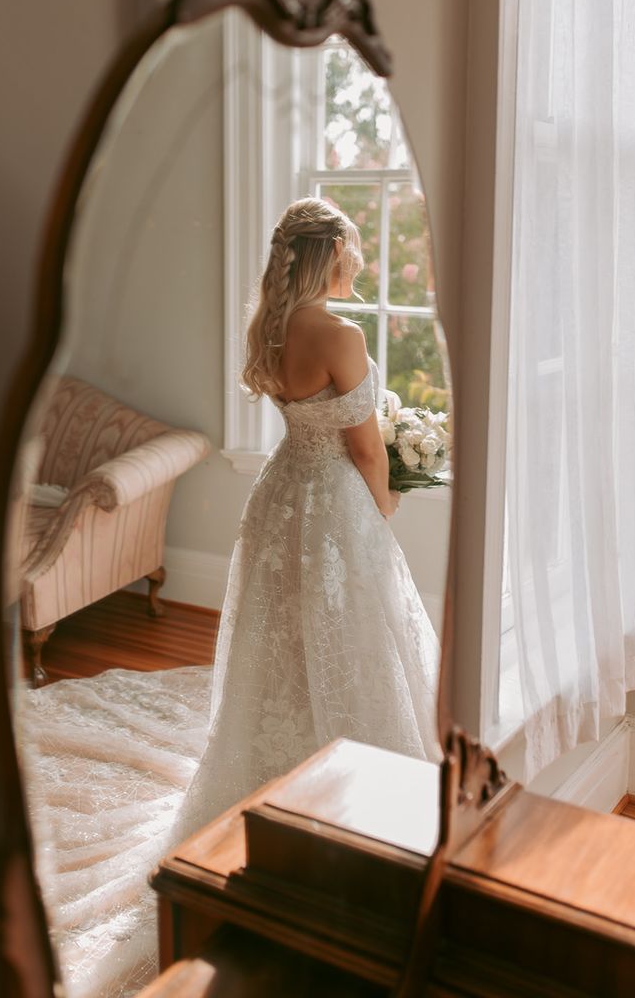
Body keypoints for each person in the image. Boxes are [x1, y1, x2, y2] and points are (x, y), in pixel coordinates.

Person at [171, 196, 440, 835]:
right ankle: (356, 785)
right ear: (330, 255)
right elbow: (367, 447)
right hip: (336, 500)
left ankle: (274, 768)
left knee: (283, 628)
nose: (362, 258)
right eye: (352, 246)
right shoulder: (342, 335)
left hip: (282, 490)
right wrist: (385, 505)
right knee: (349, 628)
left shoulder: (269, 324)